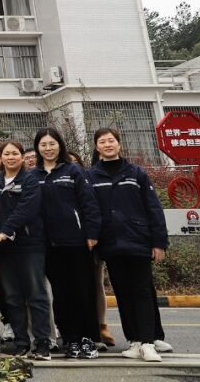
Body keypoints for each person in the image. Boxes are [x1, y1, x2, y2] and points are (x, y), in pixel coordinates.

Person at [87, 127, 168, 363]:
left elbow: (153, 208)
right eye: (102, 141)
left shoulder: (136, 173)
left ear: (119, 144)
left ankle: (148, 342)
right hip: (111, 243)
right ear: (97, 147)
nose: (107, 144)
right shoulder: (91, 176)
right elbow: (91, 211)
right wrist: (94, 242)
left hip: (138, 240)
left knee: (141, 291)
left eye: (111, 140)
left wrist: (159, 242)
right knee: (122, 294)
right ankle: (134, 341)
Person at [32, 127, 101, 360]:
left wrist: (92, 233)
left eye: (52, 144)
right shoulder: (33, 175)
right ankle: (70, 339)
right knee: (61, 295)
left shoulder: (73, 170)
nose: (48, 148)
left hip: (76, 241)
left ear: (59, 145)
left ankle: (87, 339)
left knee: (82, 290)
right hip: (48, 245)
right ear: (37, 148)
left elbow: (89, 203)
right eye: (43, 145)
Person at [0, 140, 52, 360]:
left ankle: (42, 343)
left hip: (29, 245)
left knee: (36, 295)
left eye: (15, 153)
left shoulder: (30, 180)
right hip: (3, 249)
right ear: (0, 158)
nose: (11, 157)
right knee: (12, 297)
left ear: (22, 157)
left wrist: (6, 230)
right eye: (6, 154)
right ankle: (21, 342)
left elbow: (27, 208)